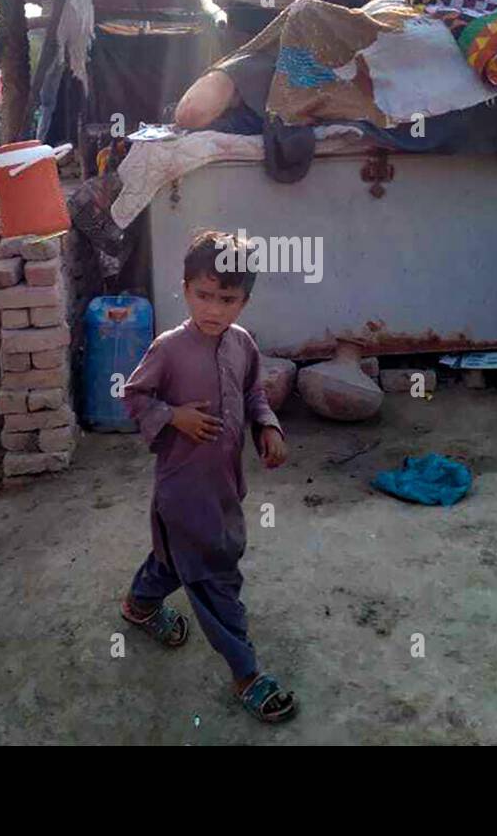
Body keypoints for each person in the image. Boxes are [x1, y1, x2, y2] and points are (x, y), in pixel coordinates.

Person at [120, 229, 296, 723]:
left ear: (245, 301)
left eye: (227, 299)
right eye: (203, 295)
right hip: (182, 487)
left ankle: (139, 603)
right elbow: (134, 398)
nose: (214, 309)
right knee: (214, 575)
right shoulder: (169, 348)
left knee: (177, 559)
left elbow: (253, 393)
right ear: (184, 287)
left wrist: (268, 426)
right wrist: (173, 415)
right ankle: (246, 672)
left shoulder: (242, 344)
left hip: (223, 483)